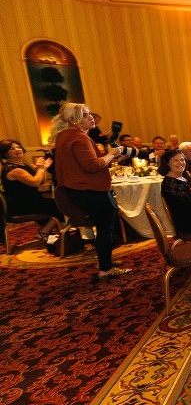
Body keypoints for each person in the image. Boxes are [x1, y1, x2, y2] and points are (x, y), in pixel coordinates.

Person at [48, 103, 130, 279]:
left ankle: (104, 261)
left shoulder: (64, 136)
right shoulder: (79, 137)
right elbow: (92, 166)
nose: (90, 117)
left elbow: (82, 165)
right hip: (92, 191)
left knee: (104, 228)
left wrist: (109, 159)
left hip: (79, 190)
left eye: (89, 113)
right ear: (72, 119)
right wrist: (111, 154)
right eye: (85, 115)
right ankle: (106, 269)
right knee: (106, 229)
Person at [0, 140, 64, 240]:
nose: (17, 150)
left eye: (18, 147)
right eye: (12, 149)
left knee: (60, 204)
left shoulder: (23, 165)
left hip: (31, 201)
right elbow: (35, 182)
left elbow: (40, 182)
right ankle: (44, 232)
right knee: (62, 206)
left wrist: (42, 169)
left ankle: (49, 230)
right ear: (5, 154)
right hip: (21, 204)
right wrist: (41, 169)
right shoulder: (13, 169)